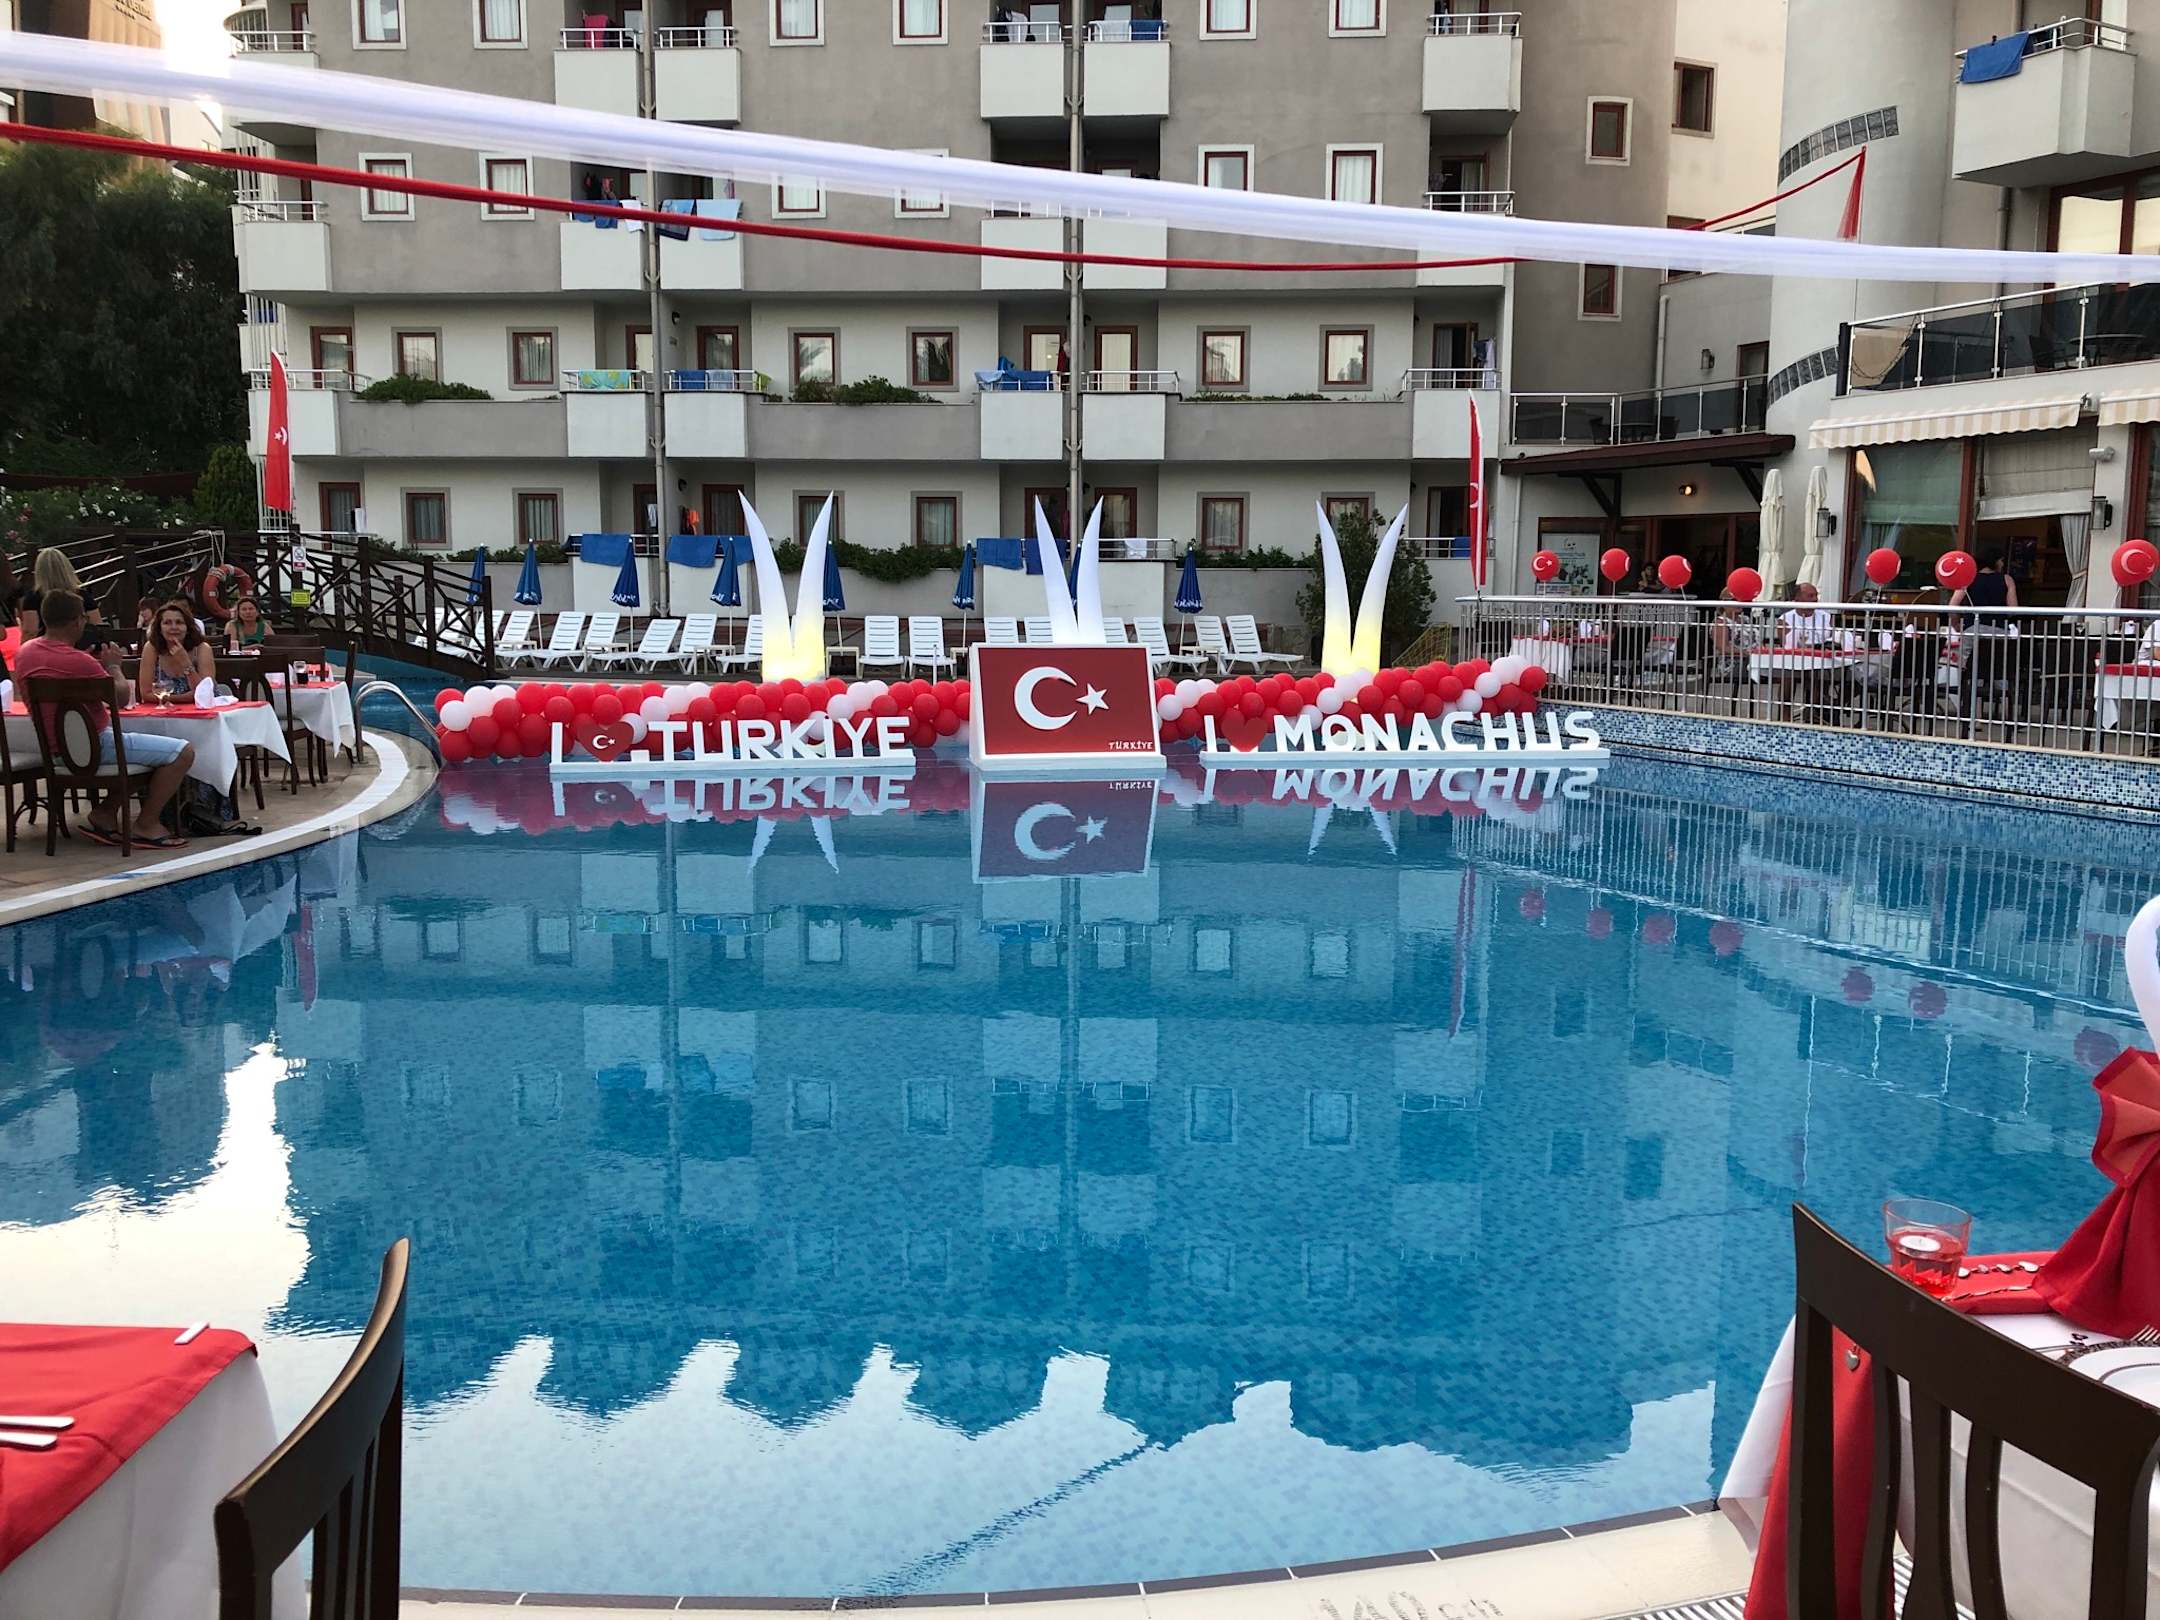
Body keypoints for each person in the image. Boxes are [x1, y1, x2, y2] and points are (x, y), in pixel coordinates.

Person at [14, 590, 194, 850]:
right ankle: (146, 824)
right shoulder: (80, 661)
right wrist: (113, 667)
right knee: (182, 753)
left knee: (146, 754)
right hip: (96, 747)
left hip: (55, 752)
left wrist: (91, 663)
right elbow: (120, 698)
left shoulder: (25, 653)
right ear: (78, 621)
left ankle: (105, 812)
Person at [139, 600, 217, 705]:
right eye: (167, 623)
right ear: (160, 629)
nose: (174, 627)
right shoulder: (151, 648)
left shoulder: (202, 649)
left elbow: (204, 695)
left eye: (179, 622)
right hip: (163, 711)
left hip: (201, 710)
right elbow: (146, 694)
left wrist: (186, 663)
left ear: (187, 628)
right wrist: (183, 698)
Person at [1779, 583, 1833, 647]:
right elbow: (1786, 646)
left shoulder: (1827, 616)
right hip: (1797, 653)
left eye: (1816, 595)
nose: (1815, 599)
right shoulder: (1785, 619)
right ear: (1797, 598)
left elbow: (1833, 642)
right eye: (1810, 596)